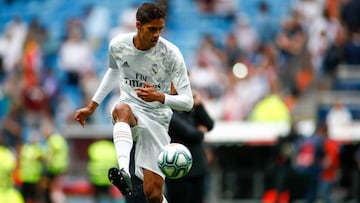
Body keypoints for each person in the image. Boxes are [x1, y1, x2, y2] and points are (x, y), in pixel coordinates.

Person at [73, 2, 194, 203]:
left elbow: (188, 102)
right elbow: (113, 70)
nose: (157, 35)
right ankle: (124, 173)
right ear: (138, 25)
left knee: (153, 195)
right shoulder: (118, 45)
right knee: (120, 109)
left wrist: (159, 97)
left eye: (160, 29)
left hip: (157, 118)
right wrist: (92, 105)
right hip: (132, 108)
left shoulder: (171, 54)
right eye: (152, 29)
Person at [165, 87, 214, 203]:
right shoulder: (166, 107)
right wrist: (200, 131)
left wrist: (199, 105)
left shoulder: (188, 105)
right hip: (177, 169)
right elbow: (191, 133)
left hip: (197, 166)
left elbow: (209, 124)